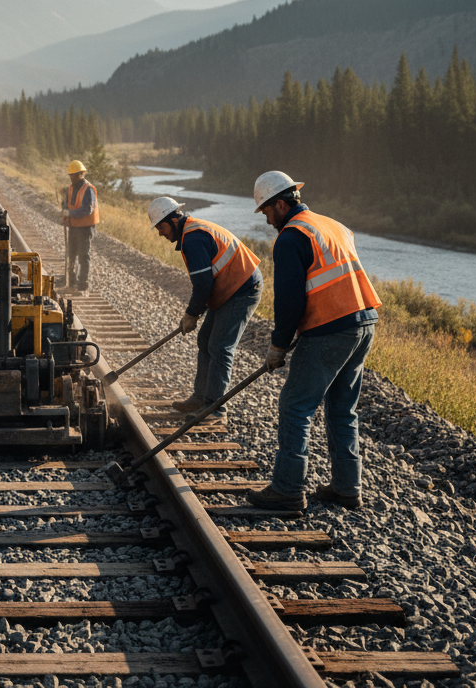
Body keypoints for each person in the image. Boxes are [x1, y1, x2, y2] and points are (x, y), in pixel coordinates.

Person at [246, 171, 381, 513]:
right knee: (341, 408)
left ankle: (288, 490)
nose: (266, 218)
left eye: (266, 211)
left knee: (295, 405)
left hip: (331, 327)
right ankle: (347, 488)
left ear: (280, 203)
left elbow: (289, 302)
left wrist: (278, 346)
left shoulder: (292, 237)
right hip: (363, 321)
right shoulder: (331, 224)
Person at [149, 196, 262, 416]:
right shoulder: (191, 232)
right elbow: (206, 284)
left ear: (173, 220)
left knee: (220, 346)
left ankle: (214, 409)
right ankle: (200, 399)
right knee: (204, 340)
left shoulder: (193, 238)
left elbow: (202, 284)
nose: (160, 233)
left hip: (243, 289)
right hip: (228, 288)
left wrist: (191, 314)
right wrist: (194, 312)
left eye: (161, 227)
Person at [61, 159, 98, 291]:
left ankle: (82, 286)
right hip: (73, 227)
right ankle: (71, 283)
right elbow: (65, 203)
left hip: (85, 228)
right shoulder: (70, 189)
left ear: (81, 174)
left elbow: (87, 209)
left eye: (74, 175)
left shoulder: (88, 189)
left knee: (83, 256)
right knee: (71, 254)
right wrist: (64, 211)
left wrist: (70, 213)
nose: (72, 178)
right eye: (70, 175)